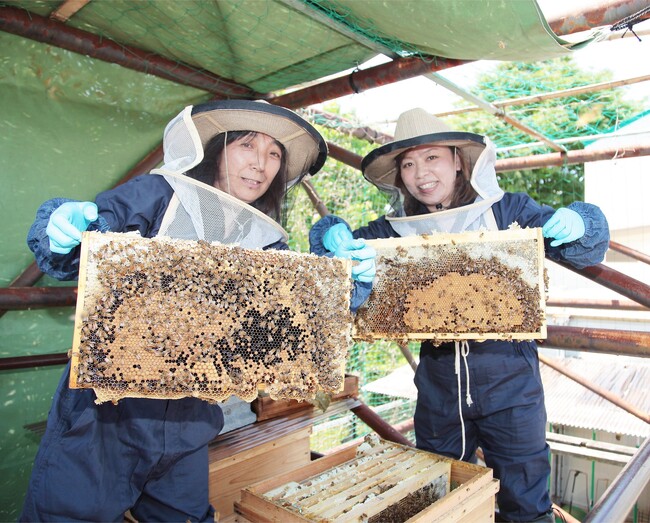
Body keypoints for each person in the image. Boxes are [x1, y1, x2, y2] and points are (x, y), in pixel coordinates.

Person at [21, 100, 373, 522]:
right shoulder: (158, 196)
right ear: (217, 148)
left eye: (274, 154)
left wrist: (350, 272)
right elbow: (84, 248)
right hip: (102, 421)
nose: (261, 164)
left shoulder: (264, 241)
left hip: (191, 424)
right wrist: (59, 228)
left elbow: (302, 320)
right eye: (247, 145)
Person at [310, 108, 609, 523]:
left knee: (525, 499)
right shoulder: (392, 231)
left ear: (457, 161)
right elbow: (325, 266)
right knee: (442, 498)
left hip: (511, 385)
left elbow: (584, 247)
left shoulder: (507, 212)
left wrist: (584, 222)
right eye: (409, 164)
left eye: (431, 157)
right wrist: (329, 235)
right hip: (438, 390)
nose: (420, 173)